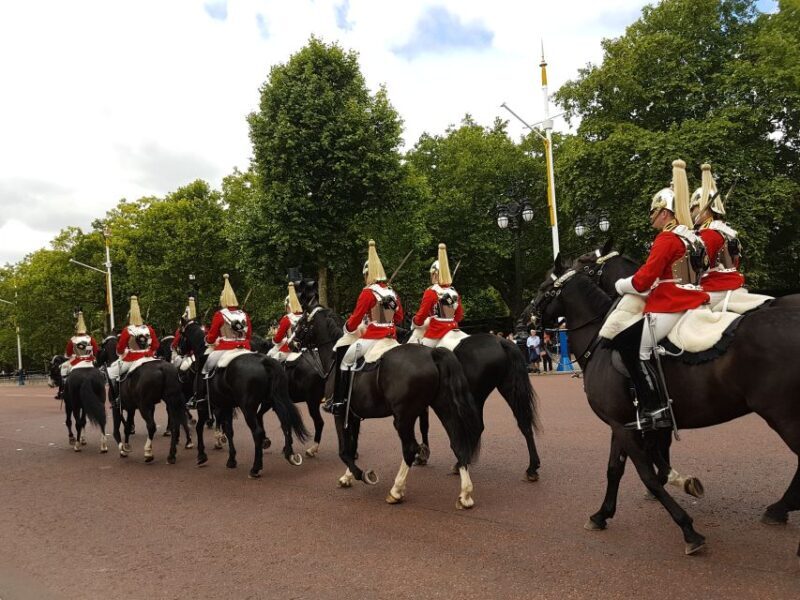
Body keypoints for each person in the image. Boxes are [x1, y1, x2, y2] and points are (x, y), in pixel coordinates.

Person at [614, 160, 710, 430]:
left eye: (654, 212)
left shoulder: (667, 239)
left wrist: (622, 285)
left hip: (671, 303)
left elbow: (644, 280)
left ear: (666, 213)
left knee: (636, 349)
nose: (651, 217)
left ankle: (656, 409)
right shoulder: (692, 238)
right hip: (693, 297)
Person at [325, 240, 404, 415]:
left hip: (373, 339)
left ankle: (340, 401)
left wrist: (348, 327)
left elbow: (354, 321)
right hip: (391, 338)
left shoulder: (368, 292)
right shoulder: (392, 292)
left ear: (367, 274)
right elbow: (399, 318)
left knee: (346, 360)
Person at [690, 163, 746, 310]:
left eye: (693, 207)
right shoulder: (727, 232)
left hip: (715, 287)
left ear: (705, 209)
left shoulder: (707, 233)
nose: (691, 212)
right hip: (733, 283)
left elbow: (695, 268)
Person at [195, 275, 252, 404]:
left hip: (224, 349)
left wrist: (209, 340)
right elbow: (248, 335)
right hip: (245, 347)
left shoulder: (220, 315)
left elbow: (211, 337)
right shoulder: (244, 314)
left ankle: (204, 396)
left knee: (206, 369)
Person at [410, 243, 464, 347]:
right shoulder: (454, 292)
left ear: (435, 274)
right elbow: (459, 316)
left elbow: (422, 315)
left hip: (437, 332)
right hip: (453, 328)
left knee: (418, 351)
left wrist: (415, 323)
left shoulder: (431, 291)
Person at [115, 296, 160, 380]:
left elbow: (120, 348)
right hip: (149, 356)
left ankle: (118, 393)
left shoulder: (127, 330)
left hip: (132, 358)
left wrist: (121, 353)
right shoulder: (149, 329)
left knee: (112, 373)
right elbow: (155, 345)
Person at [59, 311, 99, 396]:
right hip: (89, 362)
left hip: (76, 361)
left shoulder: (73, 339)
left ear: (76, 329)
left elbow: (68, 354)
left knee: (64, 369)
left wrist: (71, 355)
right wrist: (89, 353)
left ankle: (63, 390)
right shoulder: (90, 339)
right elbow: (95, 352)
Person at [269, 282, 304, 362]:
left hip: (291, 349)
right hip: (306, 348)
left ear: (288, 306)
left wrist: (273, 339)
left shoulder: (287, 318)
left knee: (271, 361)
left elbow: (278, 339)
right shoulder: (306, 316)